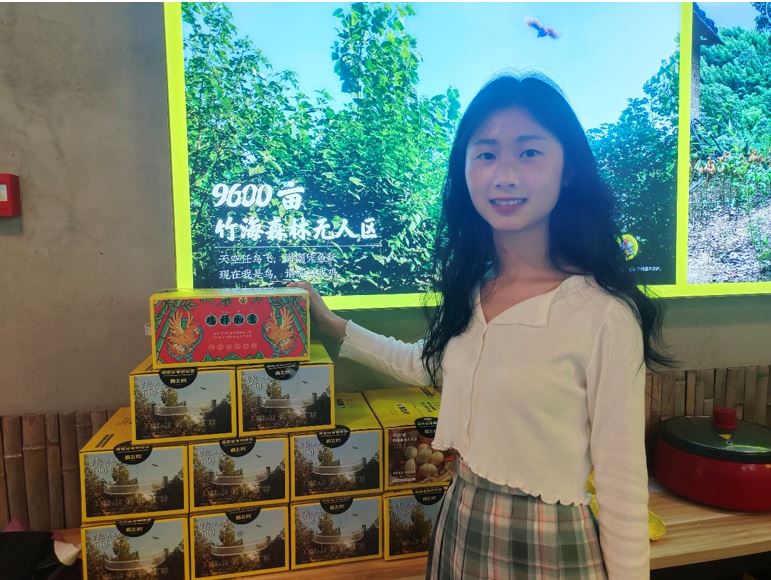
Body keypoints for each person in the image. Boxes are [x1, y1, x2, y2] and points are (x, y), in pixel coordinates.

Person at [290, 73, 670, 580]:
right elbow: (425, 364)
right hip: (462, 521)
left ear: (568, 170)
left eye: (529, 153)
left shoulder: (602, 314)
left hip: (549, 543)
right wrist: (328, 322)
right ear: (464, 169)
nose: (504, 176)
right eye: (486, 154)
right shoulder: (473, 290)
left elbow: (623, 484)